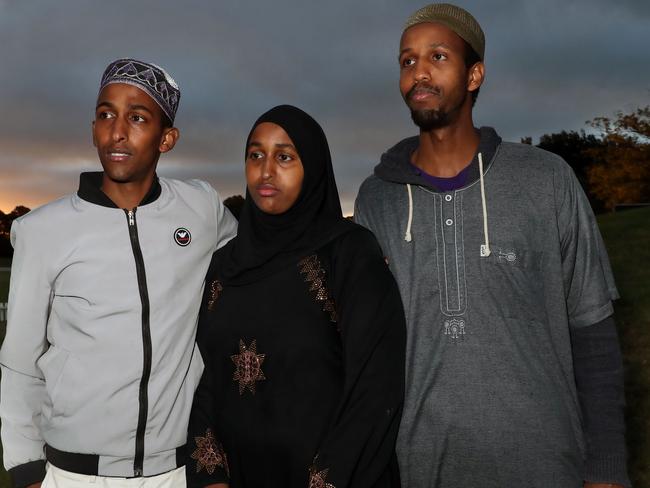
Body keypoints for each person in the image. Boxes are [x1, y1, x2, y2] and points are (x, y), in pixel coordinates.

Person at [354, 4, 630, 487]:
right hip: (420, 467)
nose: (419, 71)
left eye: (437, 56)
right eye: (407, 60)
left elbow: (593, 332)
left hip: (545, 464)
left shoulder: (546, 180)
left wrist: (606, 468)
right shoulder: (377, 199)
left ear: (474, 74)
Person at [0, 58, 237, 488]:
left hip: (175, 473)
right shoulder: (41, 231)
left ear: (167, 138)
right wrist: (26, 469)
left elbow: (263, 256)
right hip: (72, 474)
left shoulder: (202, 209)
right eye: (106, 114)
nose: (117, 131)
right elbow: (19, 362)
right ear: (93, 128)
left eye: (138, 117)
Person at [186, 105, 405, 488]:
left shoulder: (348, 254)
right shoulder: (225, 265)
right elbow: (208, 379)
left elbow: (374, 391)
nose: (265, 171)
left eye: (284, 156)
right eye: (255, 155)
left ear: (314, 167)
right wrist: (211, 477)